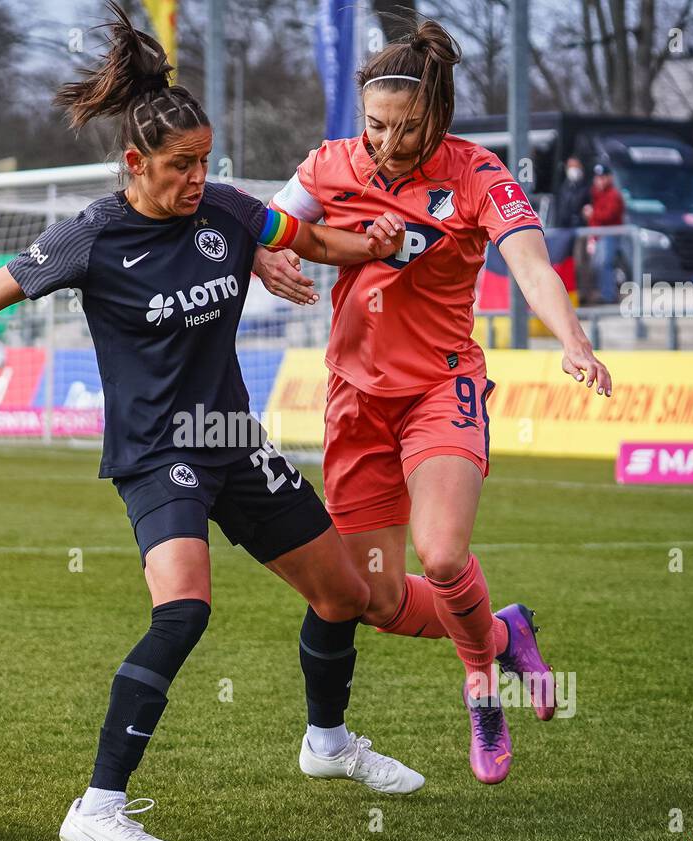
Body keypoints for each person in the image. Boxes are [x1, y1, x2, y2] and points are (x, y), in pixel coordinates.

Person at [0, 2, 421, 841]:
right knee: (184, 611)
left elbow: (309, 236)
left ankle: (328, 743)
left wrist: (381, 243)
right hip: (158, 453)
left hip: (231, 442)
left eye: (205, 162)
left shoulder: (230, 214)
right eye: (179, 166)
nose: (196, 178)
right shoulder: (91, 237)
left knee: (346, 593)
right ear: (135, 163)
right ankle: (97, 807)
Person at [253, 17, 613, 786]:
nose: (386, 143)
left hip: (439, 390)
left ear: (439, 117)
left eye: (406, 128)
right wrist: (266, 262)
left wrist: (572, 340)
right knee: (374, 598)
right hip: (354, 402)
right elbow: (264, 226)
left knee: (443, 554)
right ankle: (504, 630)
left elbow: (531, 266)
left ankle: (480, 681)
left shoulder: (479, 173)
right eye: (375, 125)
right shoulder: (329, 165)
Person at [583, 163, 624, 304]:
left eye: (602, 177)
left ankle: (608, 294)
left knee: (606, 264)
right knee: (597, 265)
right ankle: (603, 292)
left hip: (609, 234)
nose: (599, 180)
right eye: (598, 177)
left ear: (609, 178)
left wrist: (593, 213)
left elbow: (609, 215)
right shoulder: (595, 193)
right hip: (598, 235)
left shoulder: (614, 195)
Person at [551, 157, 590, 229]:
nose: (573, 170)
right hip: (562, 228)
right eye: (571, 167)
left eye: (576, 166)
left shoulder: (587, 189)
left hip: (580, 229)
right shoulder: (562, 188)